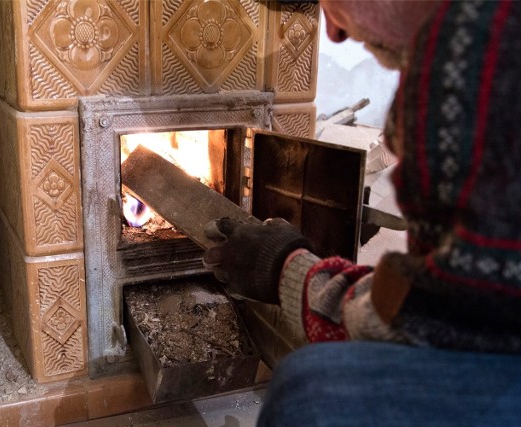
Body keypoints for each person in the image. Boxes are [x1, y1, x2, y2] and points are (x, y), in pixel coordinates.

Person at [203, 0, 521, 424]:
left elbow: (424, 327)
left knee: (313, 394)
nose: (332, 33)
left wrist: (284, 266)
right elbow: (451, 301)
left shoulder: (478, 52)